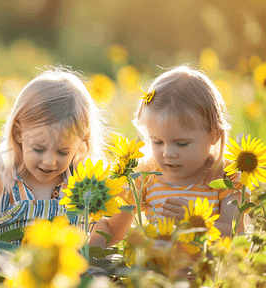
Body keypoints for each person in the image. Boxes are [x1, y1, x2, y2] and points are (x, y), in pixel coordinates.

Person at [0, 67, 108, 242]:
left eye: (63, 152)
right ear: (18, 134)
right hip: (2, 268)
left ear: (80, 145)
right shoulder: (4, 172)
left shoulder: (79, 181)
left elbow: (102, 230)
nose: (49, 161)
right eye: (39, 149)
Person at [90, 65, 241, 248]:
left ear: (213, 136)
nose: (168, 153)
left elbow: (235, 233)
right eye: (157, 142)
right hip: (156, 273)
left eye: (181, 143)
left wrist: (194, 223)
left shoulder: (226, 177)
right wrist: (93, 242)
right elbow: (114, 230)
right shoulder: (144, 177)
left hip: (208, 274)